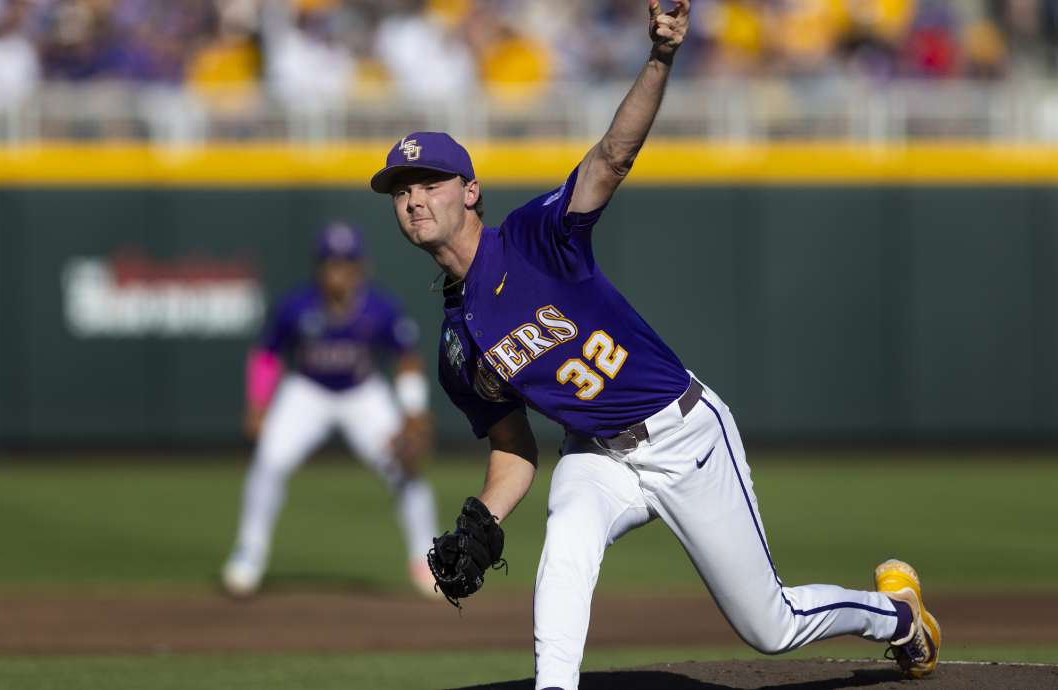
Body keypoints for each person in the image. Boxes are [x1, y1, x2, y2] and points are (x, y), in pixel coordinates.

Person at [370, 0, 942, 687]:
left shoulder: (532, 238)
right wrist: (483, 520)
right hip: (597, 454)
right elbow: (514, 448)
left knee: (772, 626)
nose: (413, 199)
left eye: (429, 182)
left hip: (683, 435)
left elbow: (612, 157)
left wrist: (662, 56)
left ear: (470, 191)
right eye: (400, 190)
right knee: (567, 539)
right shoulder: (456, 347)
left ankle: (898, 615)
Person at [222, 222, 440, 599]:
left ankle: (428, 562)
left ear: (360, 268)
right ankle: (248, 555)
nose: (337, 271)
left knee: (405, 467)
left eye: (345, 263)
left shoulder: (380, 308)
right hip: (308, 391)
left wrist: (413, 411)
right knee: (269, 462)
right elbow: (267, 354)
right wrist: (258, 403)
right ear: (319, 268)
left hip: (363, 392)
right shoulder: (297, 306)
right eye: (330, 263)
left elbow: (406, 359)